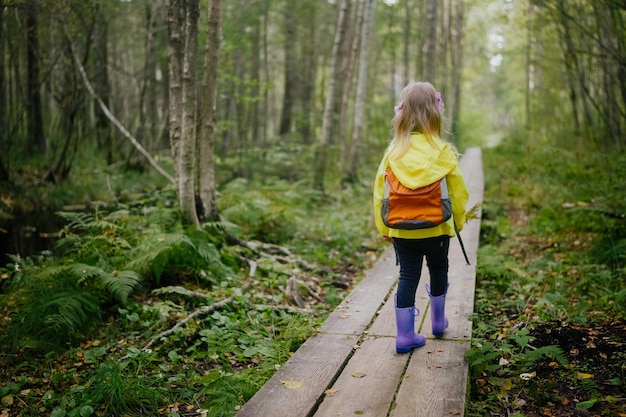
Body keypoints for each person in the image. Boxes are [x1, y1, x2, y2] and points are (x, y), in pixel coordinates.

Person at [372, 81, 469, 353]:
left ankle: (404, 336)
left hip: (402, 229)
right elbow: (458, 191)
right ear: (435, 112)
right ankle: (438, 321)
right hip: (437, 227)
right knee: (439, 269)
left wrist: (384, 227)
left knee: (407, 276)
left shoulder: (394, 152)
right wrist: (457, 221)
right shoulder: (442, 150)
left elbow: (380, 193)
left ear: (402, 114)